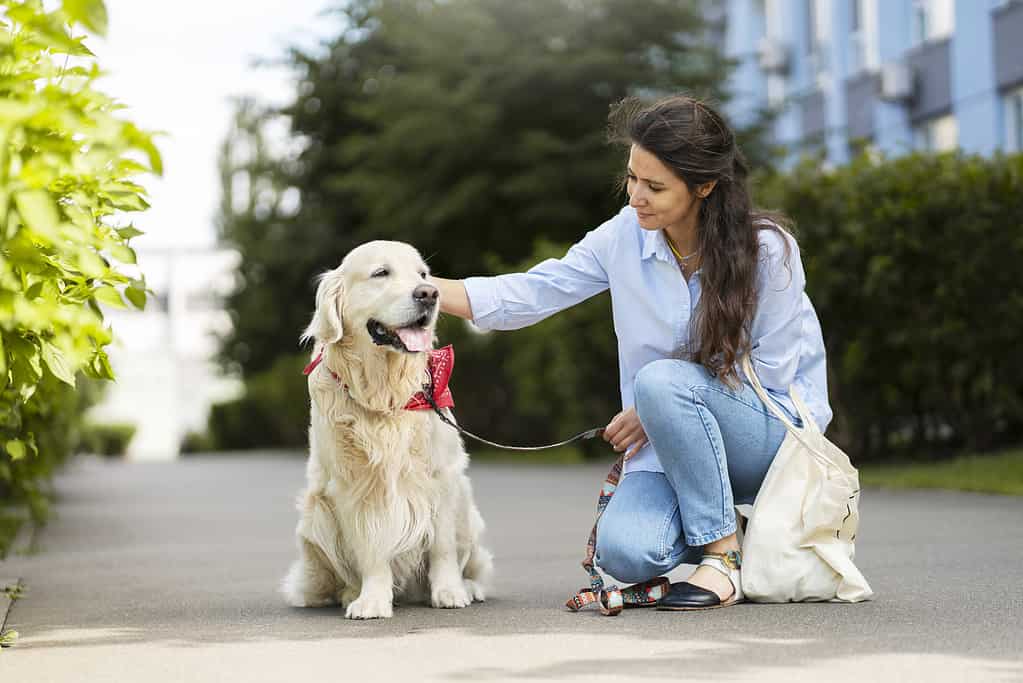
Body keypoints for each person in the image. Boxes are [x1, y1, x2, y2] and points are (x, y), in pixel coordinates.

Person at [429, 94, 832, 611]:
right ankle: (743, 528)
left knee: (661, 382)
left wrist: (658, 405)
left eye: (655, 186)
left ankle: (724, 559)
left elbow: (774, 376)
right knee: (628, 552)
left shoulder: (769, 250)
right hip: (675, 445)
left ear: (705, 186)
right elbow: (531, 293)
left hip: (770, 437)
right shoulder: (623, 236)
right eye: (632, 178)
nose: (636, 196)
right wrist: (418, 288)